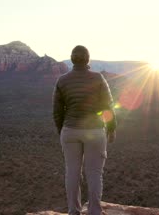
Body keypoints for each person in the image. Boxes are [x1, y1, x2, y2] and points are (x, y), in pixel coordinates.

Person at [53, 45, 117, 215]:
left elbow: (57, 112)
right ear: (87, 59)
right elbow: (107, 106)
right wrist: (111, 129)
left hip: (70, 131)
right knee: (94, 173)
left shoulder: (62, 80)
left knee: (72, 173)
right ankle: (94, 211)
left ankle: (73, 211)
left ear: (72, 59)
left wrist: (62, 131)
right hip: (95, 131)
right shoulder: (98, 78)